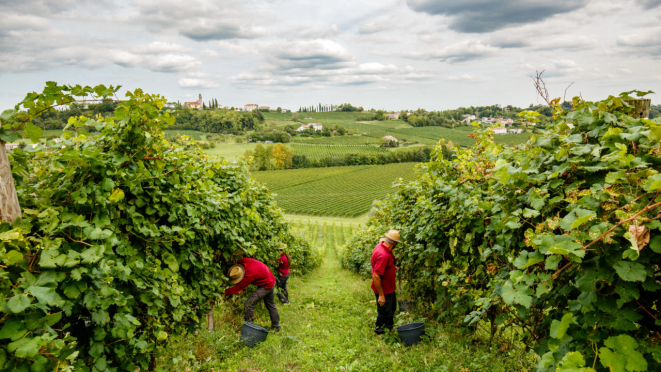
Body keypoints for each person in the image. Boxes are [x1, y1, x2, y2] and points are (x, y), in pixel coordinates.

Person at [225, 258, 281, 332]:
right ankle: (276, 327)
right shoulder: (244, 261)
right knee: (271, 304)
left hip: (267, 285)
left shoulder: (248, 275)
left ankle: (249, 328)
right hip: (270, 279)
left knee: (249, 303)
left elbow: (236, 289)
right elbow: (239, 261)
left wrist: (223, 292)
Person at [371, 230, 400, 335]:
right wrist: (381, 295)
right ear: (394, 243)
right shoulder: (384, 255)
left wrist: (394, 266)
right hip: (384, 289)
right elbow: (376, 276)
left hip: (389, 287)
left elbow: (384, 265)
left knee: (391, 309)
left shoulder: (381, 246)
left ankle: (389, 327)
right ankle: (379, 331)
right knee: (384, 312)